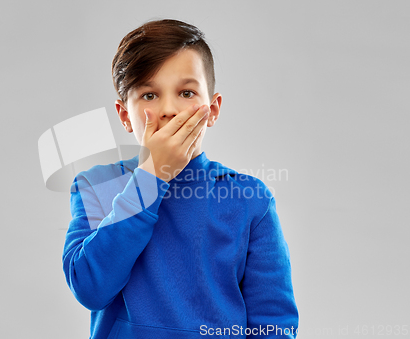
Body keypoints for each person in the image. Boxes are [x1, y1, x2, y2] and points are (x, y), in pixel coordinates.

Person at [62, 18, 299, 339]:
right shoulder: (96, 186)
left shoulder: (249, 198)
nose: (170, 109)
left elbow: (274, 323)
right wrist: (151, 177)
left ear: (212, 110)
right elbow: (90, 288)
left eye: (186, 92)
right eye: (148, 95)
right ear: (124, 116)